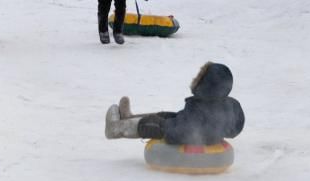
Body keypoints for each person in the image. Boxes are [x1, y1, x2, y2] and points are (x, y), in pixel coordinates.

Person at [104, 62, 245, 145]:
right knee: (165, 115)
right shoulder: (221, 103)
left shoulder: (203, 111)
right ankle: (128, 118)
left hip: (184, 134)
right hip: (193, 127)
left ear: (206, 86)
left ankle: (115, 129)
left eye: (200, 77)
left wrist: (167, 128)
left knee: (153, 123)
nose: (196, 78)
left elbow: (186, 130)